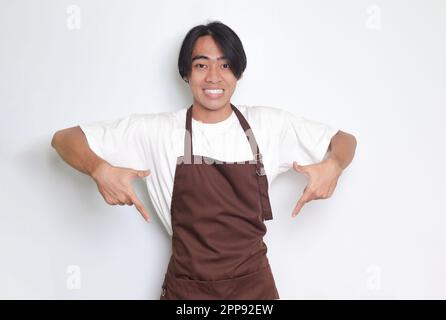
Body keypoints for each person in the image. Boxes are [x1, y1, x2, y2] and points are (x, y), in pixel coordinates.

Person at [51, 21, 357, 300]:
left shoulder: (268, 125)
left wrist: (334, 165)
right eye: (201, 65)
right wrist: (99, 169)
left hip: (254, 292)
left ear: (238, 72)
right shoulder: (156, 131)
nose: (214, 77)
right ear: (186, 72)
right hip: (187, 293)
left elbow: (344, 140)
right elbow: (64, 139)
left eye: (225, 65)